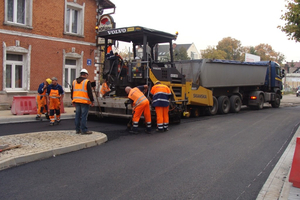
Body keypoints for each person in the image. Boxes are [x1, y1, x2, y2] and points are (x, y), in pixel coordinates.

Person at [71, 69, 94, 134]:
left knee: (77, 115)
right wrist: (92, 101)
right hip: (84, 101)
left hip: (76, 101)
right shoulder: (86, 82)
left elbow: (72, 91)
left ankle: (77, 130)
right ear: (85, 74)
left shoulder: (74, 81)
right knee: (84, 116)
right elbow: (90, 92)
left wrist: (72, 100)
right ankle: (84, 130)